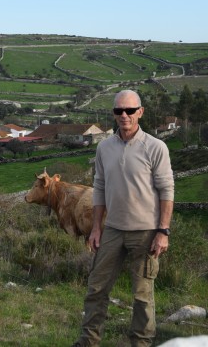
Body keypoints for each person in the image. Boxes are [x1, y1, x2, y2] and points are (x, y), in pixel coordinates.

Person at [73, 90, 174, 347]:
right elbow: (100, 187)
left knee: (142, 295)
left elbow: (166, 190)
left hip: (146, 232)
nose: (124, 115)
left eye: (130, 110)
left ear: (140, 111)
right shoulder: (104, 147)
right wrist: (96, 228)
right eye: (119, 111)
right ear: (114, 113)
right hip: (112, 230)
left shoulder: (155, 147)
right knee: (96, 289)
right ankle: (88, 342)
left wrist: (163, 231)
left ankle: (140, 344)